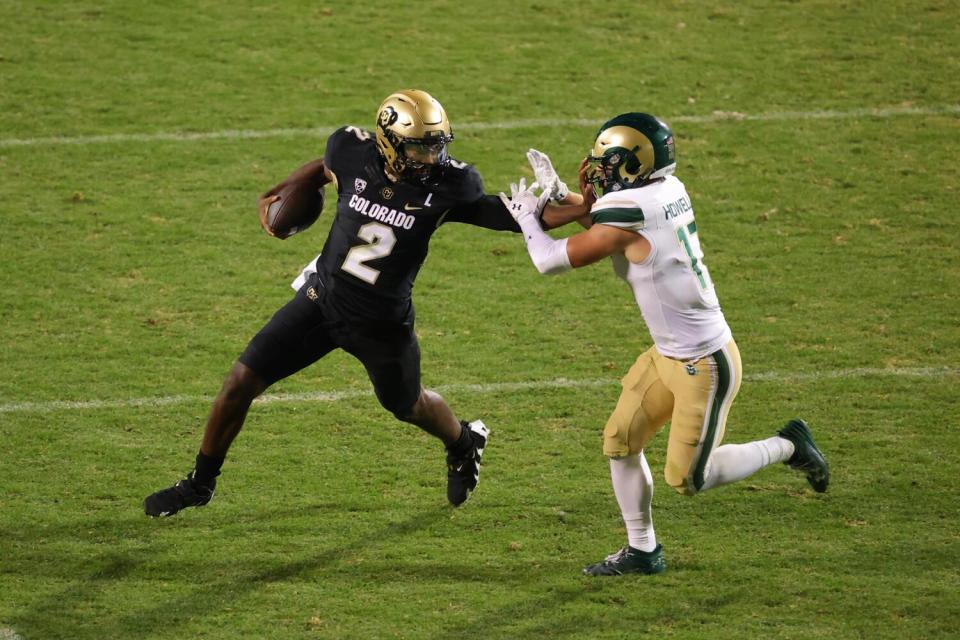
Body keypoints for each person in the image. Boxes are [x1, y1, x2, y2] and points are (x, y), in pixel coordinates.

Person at [144, 89, 583, 517]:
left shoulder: (451, 187)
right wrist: (282, 192)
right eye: (419, 149)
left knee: (408, 406)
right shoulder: (351, 152)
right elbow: (323, 168)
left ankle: (463, 442)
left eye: (437, 146)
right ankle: (199, 484)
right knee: (239, 382)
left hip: (382, 325)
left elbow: (518, 216)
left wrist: (580, 203)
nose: (432, 158)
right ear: (388, 144)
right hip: (322, 301)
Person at [501, 113, 830, 576]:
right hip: (668, 353)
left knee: (689, 479)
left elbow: (550, 260)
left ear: (633, 165)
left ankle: (788, 446)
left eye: (607, 162)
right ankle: (642, 549)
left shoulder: (632, 211)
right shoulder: (664, 191)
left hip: (704, 362)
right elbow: (605, 220)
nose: (599, 170)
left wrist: (528, 221)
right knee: (620, 439)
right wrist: (563, 197)